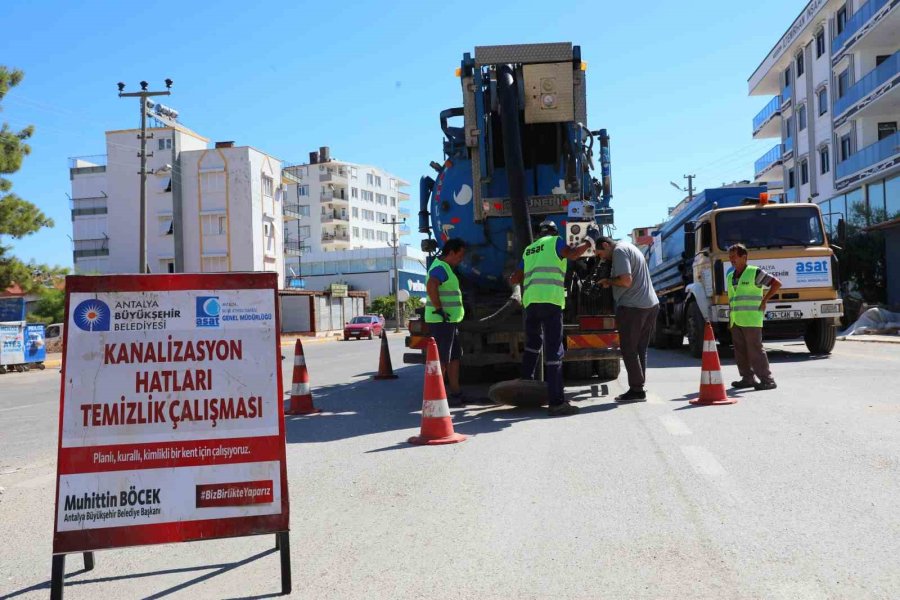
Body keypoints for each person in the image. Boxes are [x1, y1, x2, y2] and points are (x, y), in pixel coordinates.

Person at [510, 220, 597, 416]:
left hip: (531, 303)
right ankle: (556, 402)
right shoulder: (555, 242)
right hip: (551, 301)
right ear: (554, 232)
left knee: (532, 344)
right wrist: (590, 239)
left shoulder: (529, 249)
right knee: (553, 351)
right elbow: (574, 254)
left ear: (539, 233)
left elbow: (515, 277)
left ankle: (527, 388)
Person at [594, 236, 659, 403]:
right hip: (650, 304)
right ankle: (639, 387)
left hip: (633, 307)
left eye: (600, 253)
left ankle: (637, 390)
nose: (601, 258)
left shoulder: (619, 251)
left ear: (606, 245)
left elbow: (626, 280)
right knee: (639, 348)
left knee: (628, 349)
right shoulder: (629, 247)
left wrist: (608, 281)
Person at [726, 243, 782, 390]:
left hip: (751, 319)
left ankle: (767, 380)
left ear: (744, 257)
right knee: (740, 351)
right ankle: (747, 378)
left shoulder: (754, 272)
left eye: (734, 257)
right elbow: (732, 299)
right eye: (730, 257)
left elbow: (776, 283)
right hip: (736, 320)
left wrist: (765, 300)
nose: (732, 260)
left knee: (755, 350)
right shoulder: (731, 276)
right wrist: (730, 319)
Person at [424, 238, 467, 407]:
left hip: (449, 320)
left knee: (454, 357)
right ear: (451, 252)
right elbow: (431, 284)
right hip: (441, 320)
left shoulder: (446, 267)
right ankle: (436, 398)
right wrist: (438, 308)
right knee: (442, 359)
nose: (461, 259)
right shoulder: (440, 268)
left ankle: (455, 392)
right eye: (460, 255)